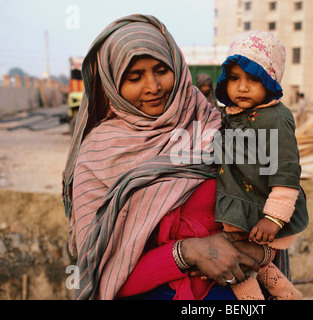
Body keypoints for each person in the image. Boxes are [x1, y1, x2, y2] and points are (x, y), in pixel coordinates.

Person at [61, 14, 269, 300]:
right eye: (134, 78)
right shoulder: (97, 158)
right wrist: (188, 253)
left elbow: (271, 199)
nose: (153, 87)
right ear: (111, 84)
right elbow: (104, 276)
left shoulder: (213, 123)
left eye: (162, 70)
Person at [214, 30, 309, 300]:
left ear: (270, 79)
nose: (242, 87)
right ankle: (288, 295)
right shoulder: (230, 113)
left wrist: (273, 218)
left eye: (253, 79)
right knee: (255, 265)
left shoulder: (275, 119)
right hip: (237, 209)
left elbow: (286, 173)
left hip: (260, 214)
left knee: (238, 266)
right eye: (234, 78)